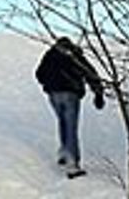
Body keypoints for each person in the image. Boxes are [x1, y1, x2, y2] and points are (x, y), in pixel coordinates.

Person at [34, 36, 105, 179]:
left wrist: (49, 85)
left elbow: (39, 74)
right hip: (71, 94)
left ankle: (64, 153)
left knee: (62, 122)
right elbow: (90, 73)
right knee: (71, 126)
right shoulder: (75, 56)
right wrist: (98, 93)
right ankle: (72, 165)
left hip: (54, 94)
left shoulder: (50, 55)